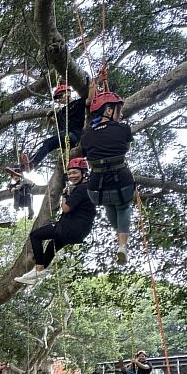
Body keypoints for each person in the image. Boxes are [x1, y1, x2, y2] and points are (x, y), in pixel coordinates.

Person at [15, 157, 97, 285]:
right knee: (52, 245)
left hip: (71, 227)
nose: (71, 176)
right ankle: (38, 271)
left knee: (35, 235)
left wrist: (64, 195)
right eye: (69, 173)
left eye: (75, 172)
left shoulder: (82, 188)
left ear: (84, 173)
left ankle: (39, 268)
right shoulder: (86, 188)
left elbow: (65, 208)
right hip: (79, 231)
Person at [79, 85, 135, 264]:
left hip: (96, 188)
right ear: (109, 109)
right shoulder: (123, 128)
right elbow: (126, 149)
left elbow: (89, 154)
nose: (120, 114)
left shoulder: (86, 135)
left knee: (109, 204)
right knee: (123, 207)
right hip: (122, 181)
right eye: (118, 110)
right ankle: (122, 245)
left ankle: (119, 238)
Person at [13, 84, 88, 172]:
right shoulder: (61, 113)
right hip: (67, 139)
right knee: (47, 143)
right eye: (57, 98)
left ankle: (32, 163)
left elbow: (90, 100)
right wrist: (52, 118)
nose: (59, 99)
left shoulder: (79, 103)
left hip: (77, 136)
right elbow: (61, 130)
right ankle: (26, 166)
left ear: (68, 93)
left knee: (52, 140)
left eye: (60, 96)